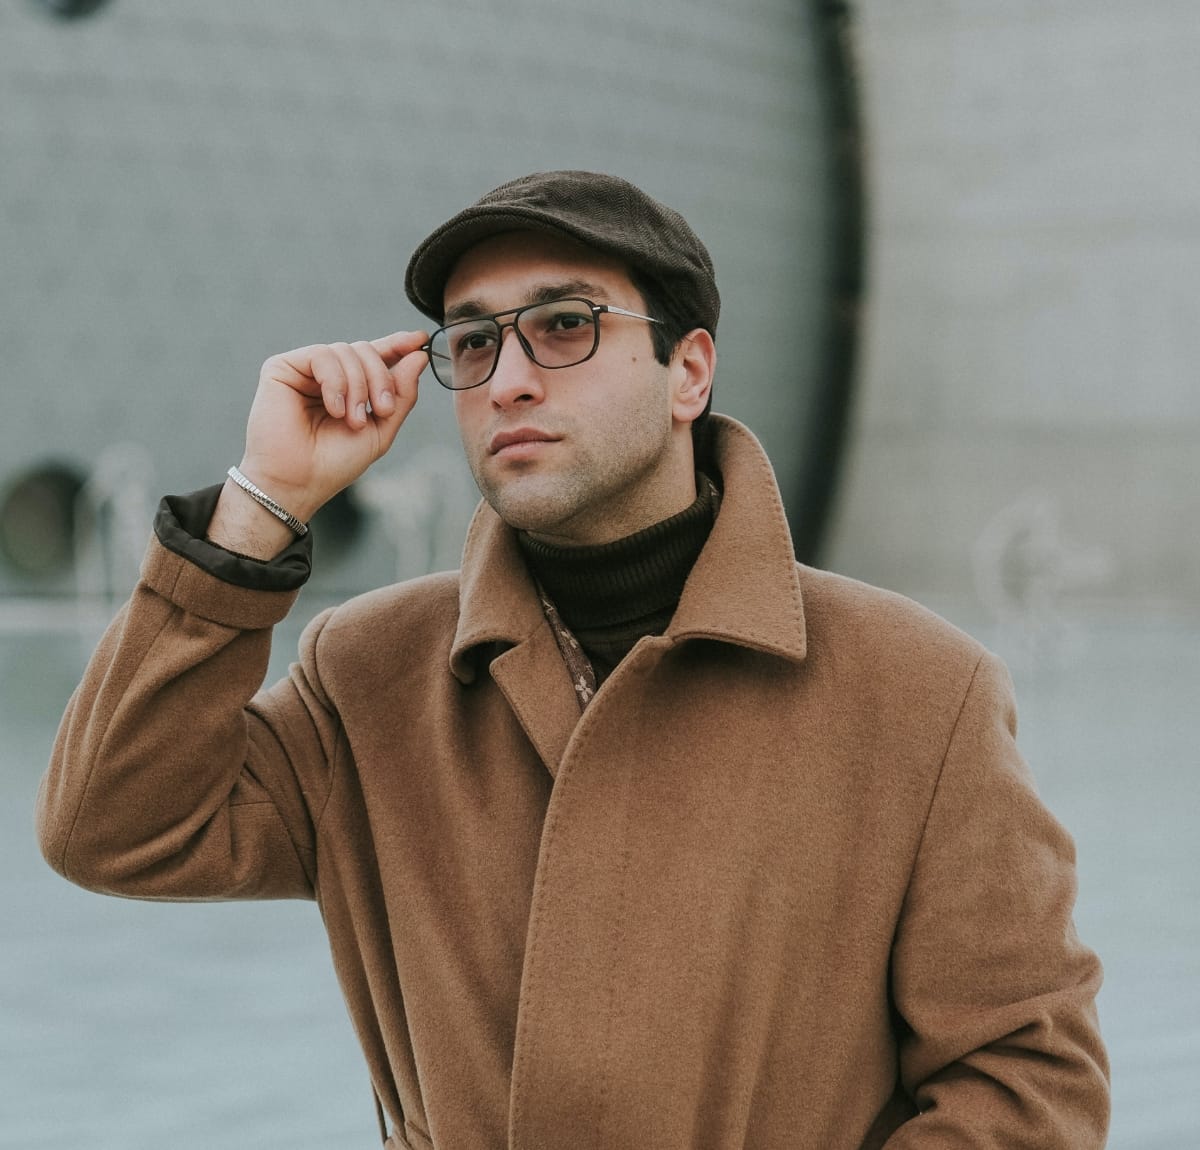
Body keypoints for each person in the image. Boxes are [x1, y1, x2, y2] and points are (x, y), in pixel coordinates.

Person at [36, 170, 1109, 1149]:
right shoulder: (369, 674)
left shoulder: (921, 690)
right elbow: (113, 829)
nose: (507, 380)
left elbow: (1026, 1082)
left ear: (687, 372)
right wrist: (261, 508)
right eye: (472, 342)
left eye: (563, 326)